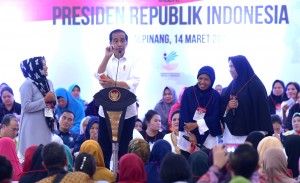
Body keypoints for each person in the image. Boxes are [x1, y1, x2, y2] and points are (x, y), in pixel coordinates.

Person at [97, 29, 140, 168]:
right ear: (111, 43)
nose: (119, 43)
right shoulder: (107, 59)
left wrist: (113, 84)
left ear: (126, 42)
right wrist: (106, 56)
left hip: (127, 113)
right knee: (104, 148)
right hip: (106, 112)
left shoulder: (133, 61)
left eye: (122, 40)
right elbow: (99, 76)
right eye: (115, 41)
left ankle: (123, 177)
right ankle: (104, 177)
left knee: (124, 150)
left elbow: (132, 84)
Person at [220, 55, 273, 144]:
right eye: (229, 66)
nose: (230, 70)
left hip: (250, 136)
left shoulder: (256, 85)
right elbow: (222, 107)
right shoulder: (231, 86)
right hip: (231, 136)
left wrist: (260, 135)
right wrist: (227, 107)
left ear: (240, 66)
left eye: (232, 66)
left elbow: (262, 112)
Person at [19, 56, 56, 157]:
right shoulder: (28, 84)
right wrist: (45, 101)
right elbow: (26, 106)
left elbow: (53, 101)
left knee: (45, 154)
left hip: (46, 124)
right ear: (35, 67)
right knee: (33, 155)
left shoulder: (49, 82)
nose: (46, 67)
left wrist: (52, 102)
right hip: (32, 127)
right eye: (43, 65)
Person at [179, 66, 222, 150]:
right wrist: (191, 133)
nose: (202, 82)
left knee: (206, 160)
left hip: (208, 137)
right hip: (188, 135)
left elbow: (215, 116)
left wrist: (197, 125)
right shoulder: (188, 92)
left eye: (206, 79)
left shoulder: (216, 96)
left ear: (212, 80)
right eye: (200, 78)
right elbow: (184, 113)